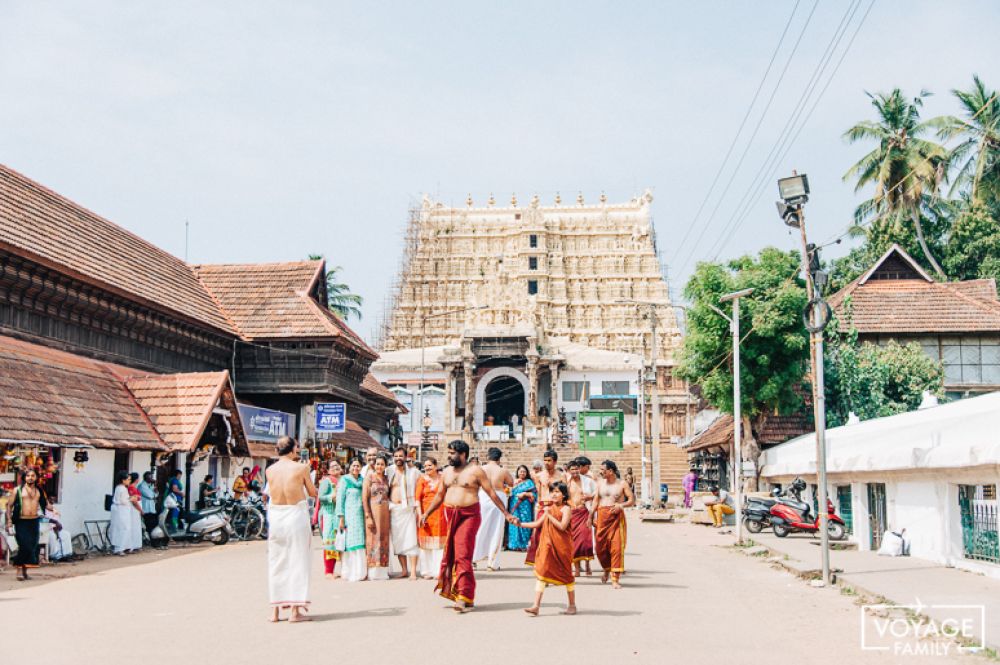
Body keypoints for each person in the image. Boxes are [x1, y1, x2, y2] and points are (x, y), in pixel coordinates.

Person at [419, 440, 515, 613]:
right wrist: (426, 513)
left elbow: (491, 493)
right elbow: (440, 495)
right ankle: (467, 595)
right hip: (451, 514)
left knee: (463, 554)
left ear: (463, 454)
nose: (449, 456)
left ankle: (462, 596)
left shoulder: (476, 471)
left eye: (452, 453)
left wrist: (506, 513)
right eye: (448, 452)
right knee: (454, 555)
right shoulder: (447, 472)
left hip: (469, 515)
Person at [265, 436, 317, 623]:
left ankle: (275, 612)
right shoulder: (301, 468)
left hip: (276, 517)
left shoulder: (270, 470)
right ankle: (295, 612)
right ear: (293, 449)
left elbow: (269, 494)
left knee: (277, 562)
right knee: (298, 561)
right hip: (295, 515)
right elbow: (312, 493)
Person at [520, 481, 576, 616]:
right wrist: (519, 523)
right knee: (542, 571)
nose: (554, 494)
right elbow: (537, 524)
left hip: (562, 546)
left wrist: (548, 514)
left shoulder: (566, 509)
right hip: (548, 545)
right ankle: (536, 606)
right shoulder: (549, 509)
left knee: (567, 575)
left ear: (564, 495)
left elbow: (562, 526)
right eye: (552, 491)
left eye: (557, 492)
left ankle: (572, 605)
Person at [591, 460, 635, 589]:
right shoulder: (599, 483)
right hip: (601, 517)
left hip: (616, 518)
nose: (600, 472)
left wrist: (621, 505)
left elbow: (632, 500)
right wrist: (590, 516)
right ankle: (606, 569)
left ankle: (615, 578)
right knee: (600, 548)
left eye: (603, 470)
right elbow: (595, 501)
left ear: (611, 471)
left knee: (616, 548)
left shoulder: (622, 484)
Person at [473, 447, 513, 571]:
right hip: (498, 496)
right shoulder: (502, 470)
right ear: (499, 458)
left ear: (487, 456)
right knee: (496, 530)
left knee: (479, 527)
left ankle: (472, 558)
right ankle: (492, 563)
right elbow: (511, 482)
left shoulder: (480, 469)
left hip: (483, 496)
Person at [6, 468, 47, 581]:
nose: (30, 478)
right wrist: (9, 521)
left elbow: (45, 503)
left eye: (33, 475)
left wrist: (54, 510)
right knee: (24, 545)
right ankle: (19, 570)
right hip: (21, 521)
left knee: (32, 546)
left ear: (36, 477)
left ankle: (25, 571)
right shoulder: (17, 490)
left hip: (34, 521)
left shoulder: (39, 490)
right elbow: (9, 506)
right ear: (24, 477)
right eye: (28, 475)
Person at [526, 449, 565, 566]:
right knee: (538, 537)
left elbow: (564, 494)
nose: (547, 463)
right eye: (545, 460)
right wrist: (538, 505)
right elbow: (538, 493)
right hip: (543, 508)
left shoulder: (561, 476)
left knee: (555, 538)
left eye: (549, 460)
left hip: (556, 508)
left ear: (555, 461)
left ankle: (554, 564)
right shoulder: (538, 476)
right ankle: (541, 564)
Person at [387, 447, 420, 580]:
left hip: (408, 510)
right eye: (396, 456)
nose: (398, 458)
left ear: (406, 457)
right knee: (398, 541)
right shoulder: (388, 471)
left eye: (401, 456)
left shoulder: (414, 472)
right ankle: (404, 570)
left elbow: (422, 485)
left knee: (411, 540)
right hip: (394, 510)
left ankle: (412, 571)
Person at [335, 459, 367, 582]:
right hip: (349, 516)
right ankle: (350, 572)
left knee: (360, 541)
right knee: (350, 543)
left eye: (358, 466)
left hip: (360, 516)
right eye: (354, 465)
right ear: (349, 467)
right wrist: (341, 518)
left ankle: (361, 572)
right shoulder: (345, 480)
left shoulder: (362, 481)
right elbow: (340, 500)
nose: (356, 468)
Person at [415, 457, 446, 579]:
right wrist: (420, 515)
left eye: (430, 465)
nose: (427, 468)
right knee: (426, 544)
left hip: (441, 515)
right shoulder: (422, 480)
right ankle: (426, 571)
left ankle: (439, 571)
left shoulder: (443, 478)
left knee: (439, 544)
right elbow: (417, 499)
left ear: (436, 465)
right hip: (425, 515)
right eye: (426, 466)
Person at [362, 455, 391, 581]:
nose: (379, 466)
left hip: (385, 514)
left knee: (383, 539)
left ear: (385, 466)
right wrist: (368, 515)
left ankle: (383, 570)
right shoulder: (369, 477)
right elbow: (364, 497)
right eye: (377, 464)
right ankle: (373, 570)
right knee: (373, 539)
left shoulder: (386, 478)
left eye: (382, 464)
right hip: (373, 512)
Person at [566, 460, 594, 577]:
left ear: (579, 469)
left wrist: (589, 497)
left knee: (586, 540)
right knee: (574, 542)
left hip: (584, 512)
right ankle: (577, 569)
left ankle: (588, 564)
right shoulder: (567, 483)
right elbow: (564, 497)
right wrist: (570, 504)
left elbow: (597, 493)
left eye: (576, 469)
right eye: (572, 469)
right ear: (569, 471)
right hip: (572, 513)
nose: (575, 471)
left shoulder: (588, 481)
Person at [317, 460, 342, 579]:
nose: (335, 468)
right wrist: (331, 497)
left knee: (339, 542)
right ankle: (328, 571)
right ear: (328, 470)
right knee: (329, 543)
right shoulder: (326, 482)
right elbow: (320, 497)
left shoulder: (343, 480)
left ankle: (335, 569)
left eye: (337, 465)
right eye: (332, 466)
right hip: (329, 515)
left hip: (340, 516)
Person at [506, 465, 536, 551]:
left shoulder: (529, 482)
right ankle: (513, 545)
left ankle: (524, 544)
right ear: (517, 472)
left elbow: (534, 494)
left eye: (524, 471)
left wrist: (526, 494)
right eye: (520, 471)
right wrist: (514, 485)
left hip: (525, 506)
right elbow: (508, 491)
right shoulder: (513, 481)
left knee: (524, 523)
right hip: (514, 505)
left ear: (527, 473)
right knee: (514, 522)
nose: (522, 473)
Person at [109, 471, 133, 556]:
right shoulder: (122, 488)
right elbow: (123, 501)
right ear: (123, 480)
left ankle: (120, 547)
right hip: (121, 510)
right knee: (124, 528)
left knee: (119, 528)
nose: (129, 481)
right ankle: (120, 548)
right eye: (128, 479)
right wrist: (131, 499)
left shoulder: (118, 487)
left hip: (119, 510)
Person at [137, 472, 158, 537]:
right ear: (146, 478)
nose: (152, 479)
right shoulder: (142, 486)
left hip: (152, 508)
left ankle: (152, 538)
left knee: (153, 524)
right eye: (150, 477)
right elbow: (150, 495)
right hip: (145, 508)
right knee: (148, 525)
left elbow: (157, 494)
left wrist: (155, 489)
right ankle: (147, 538)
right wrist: (154, 493)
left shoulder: (151, 485)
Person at [127, 472, 143, 551]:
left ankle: (135, 545)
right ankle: (132, 545)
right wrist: (140, 509)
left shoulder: (133, 488)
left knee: (136, 526)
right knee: (133, 526)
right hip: (134, 509)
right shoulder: (131, 488)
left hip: (136, 509)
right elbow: (134, 501)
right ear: (136, 479)